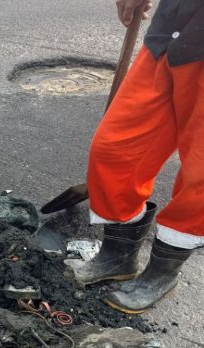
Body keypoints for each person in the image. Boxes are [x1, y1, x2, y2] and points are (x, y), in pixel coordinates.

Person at [69, 0, 204, 314]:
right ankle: (118, 257)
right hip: (171, 29)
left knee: (200, 176)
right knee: (114, 149)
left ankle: (161, 275)